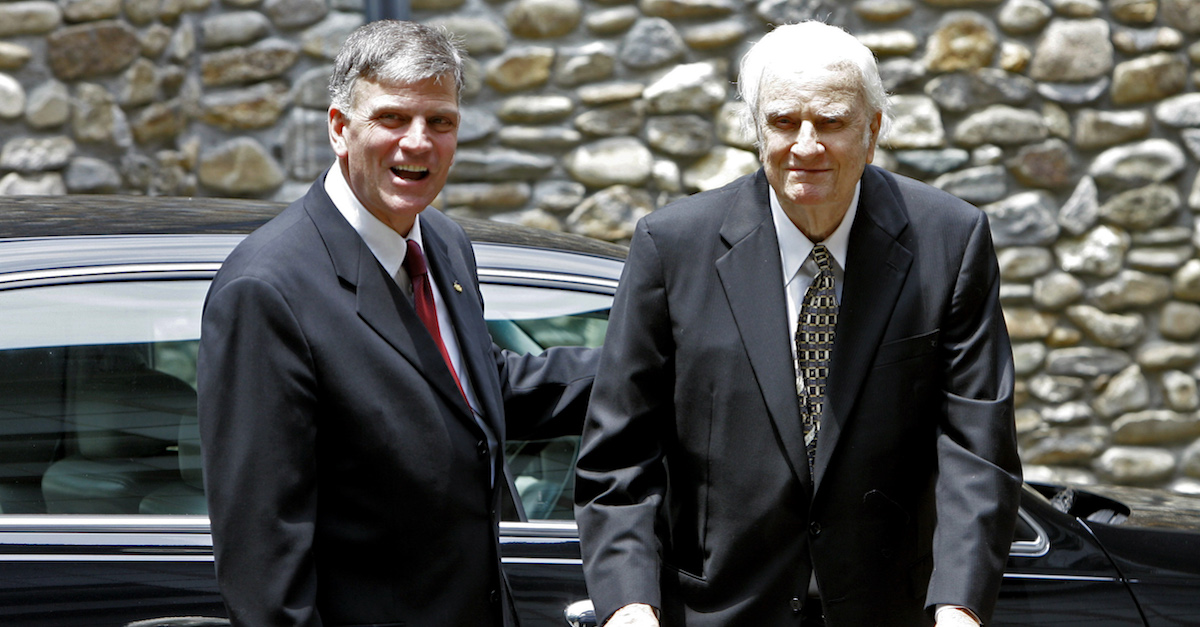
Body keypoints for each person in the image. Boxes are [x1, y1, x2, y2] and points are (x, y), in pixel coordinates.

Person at [574, 20, 1022, 627]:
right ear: (757, 131)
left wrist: (959, 605)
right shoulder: (672, 246)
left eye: (831, 122)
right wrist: (630, 604)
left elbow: (977, 449)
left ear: (872, 132)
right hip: (718, 610)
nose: (805, 146)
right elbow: (619, 454)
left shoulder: (950, 240)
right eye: (784, 122)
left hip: (888, 610)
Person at [197, 20, 597, 627]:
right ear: (339, 128)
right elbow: (265, 571)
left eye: (440, 121)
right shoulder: (266, 291)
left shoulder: (442, 241)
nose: (418, 142)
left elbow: (470, 394)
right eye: (392, 118)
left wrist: (649, 361)